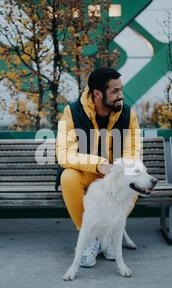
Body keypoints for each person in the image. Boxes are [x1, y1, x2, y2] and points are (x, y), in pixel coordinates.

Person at [56, 67, 141, 268]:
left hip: (114, 176)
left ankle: (111, 236)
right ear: (97, 94)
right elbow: (64, 153)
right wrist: (98, 164)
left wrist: (118, 171)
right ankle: (90, 238)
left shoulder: (129, 115)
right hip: (86, 173)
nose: (120, 95)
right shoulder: (72, 113)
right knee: (67, 177)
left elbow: (132, 153)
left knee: (132, 179)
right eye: (115, 91)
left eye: (121, 89)